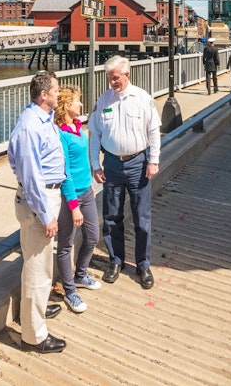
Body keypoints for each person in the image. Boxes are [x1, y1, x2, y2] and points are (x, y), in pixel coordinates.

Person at [88, 56, 161, 290]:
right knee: (111, 216)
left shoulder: (142, 98)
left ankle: (143, 264)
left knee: (141, 218)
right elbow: (95, 135)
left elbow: (153, 131)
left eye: (116, 78)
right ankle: (116, 260)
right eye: (110, 78)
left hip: (138, 163)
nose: (112, 82)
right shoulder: (104, 100)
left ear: (127, 74)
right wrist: (95, 165)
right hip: (112, 164)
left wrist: (154, 161)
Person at [7, 71, 67, 353]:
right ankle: (34, 336)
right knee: (37, 269)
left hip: (46, 196)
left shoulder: (42, 119)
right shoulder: (30, 125)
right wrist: (46, 215)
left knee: (40, 264)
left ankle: (36, 311)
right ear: (44, 95)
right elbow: (30, 177)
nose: (59, 93)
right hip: (39, 201)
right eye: (56, 90)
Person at [54, 84, 101, 315]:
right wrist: (73, 206)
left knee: (92, 236)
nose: (81, 104)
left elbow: (82, 162)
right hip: (70, 197)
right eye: (76, 101)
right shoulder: (61, 133)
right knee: (66, 244)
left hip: (86, 191)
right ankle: (69, 290)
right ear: (66, 106)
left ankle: (80, 274)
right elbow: (65, 172)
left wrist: (90, 184)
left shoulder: (77, 126)